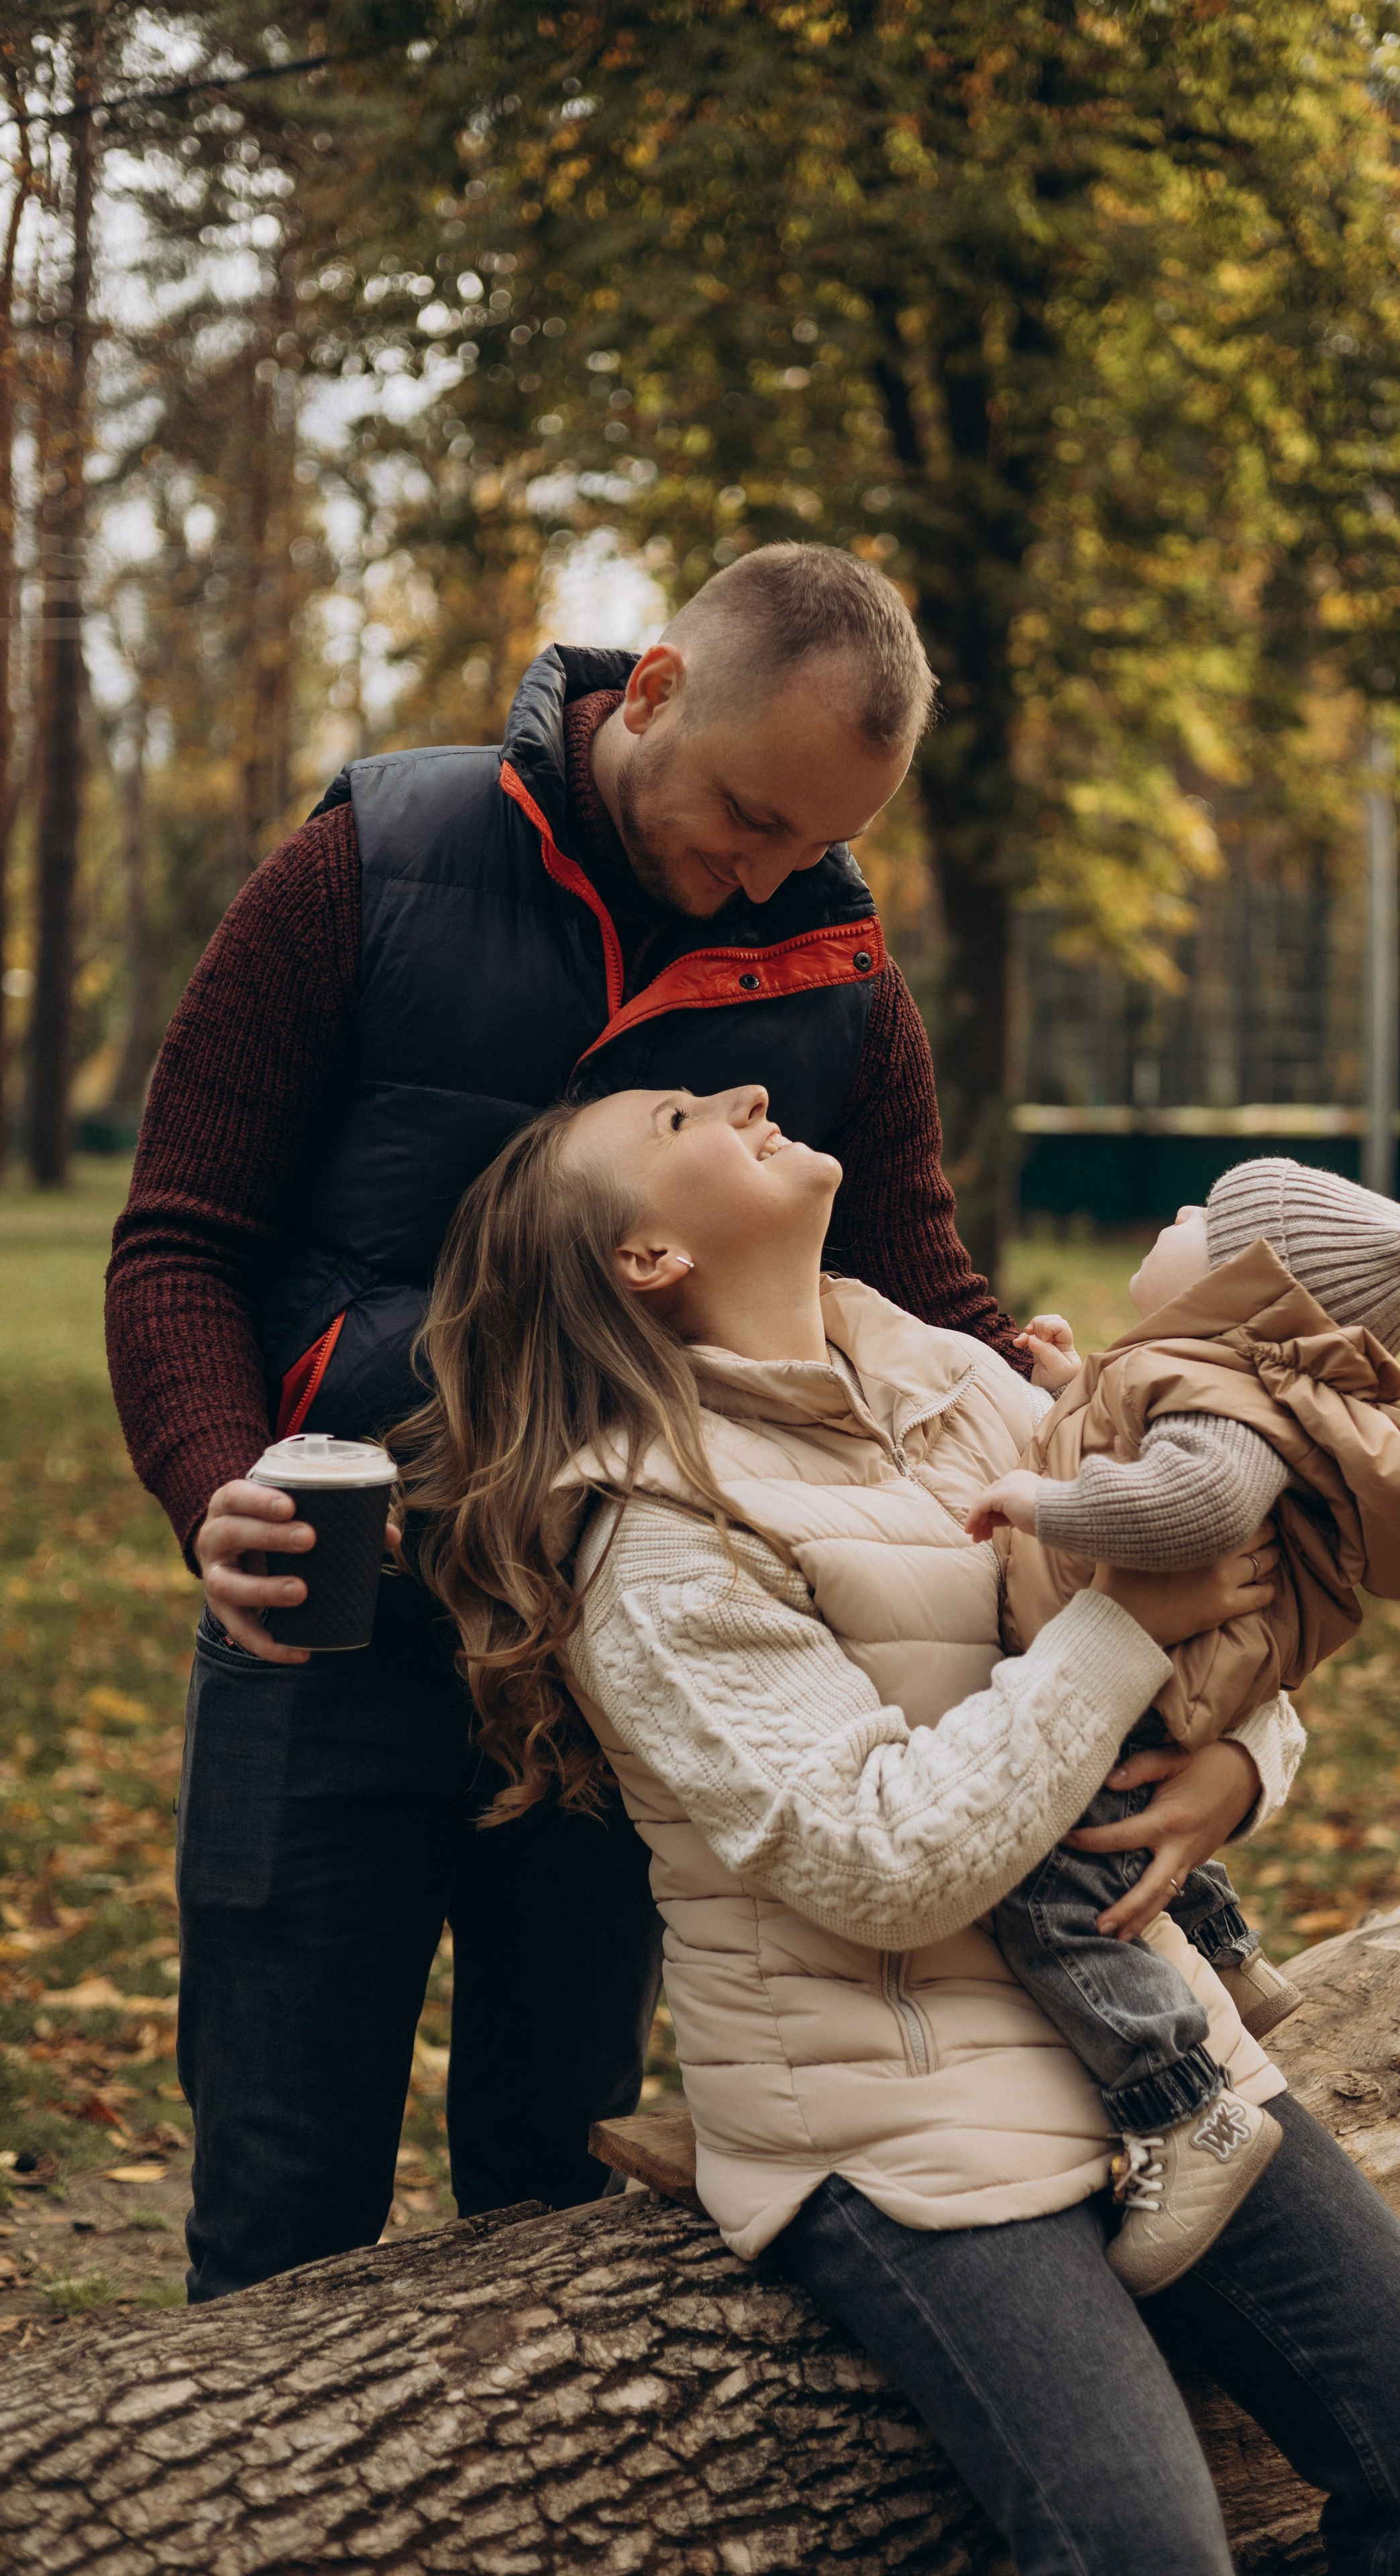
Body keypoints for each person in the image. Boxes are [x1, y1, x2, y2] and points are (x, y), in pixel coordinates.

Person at [398, 1081, 1400, 2576]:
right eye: (681, 1118)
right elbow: (881, 1863)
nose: (745, 1092)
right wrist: (1128, 1632)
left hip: (1158, 2051)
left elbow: (1245, 1598)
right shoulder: (655, 1532)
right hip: (887, 2106)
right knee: (1139, 2548)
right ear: (645, 1260)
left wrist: (1241, 1768)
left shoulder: (945, 1375)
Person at [105, 543, 1029, 2302]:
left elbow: (921, 1284)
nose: (759, 875)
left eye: (810, 842)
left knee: (552, 2192)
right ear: (660, 688)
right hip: (332, 1635)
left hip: (632, 1658)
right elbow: (183, 1237)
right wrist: (208, 1472)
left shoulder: (835, 973)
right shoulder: (375, 858)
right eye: (746, 817)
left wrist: (1053, 1389)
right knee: (279, 2195)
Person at [963, 1160, 1400, 2293]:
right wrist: (1076, 1384)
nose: (1175, 1216)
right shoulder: (1209, 1376)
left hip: (1138, 1680)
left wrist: (1046, 1503)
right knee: (1125, 1827)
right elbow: (1153, 1444)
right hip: (1161, 1681)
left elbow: (1198, 1501)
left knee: (1057, 1891)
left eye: (1202, 1221)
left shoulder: (1223, 1400)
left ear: (1251, 1292)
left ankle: (1181, 2110)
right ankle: (1230, 1956)